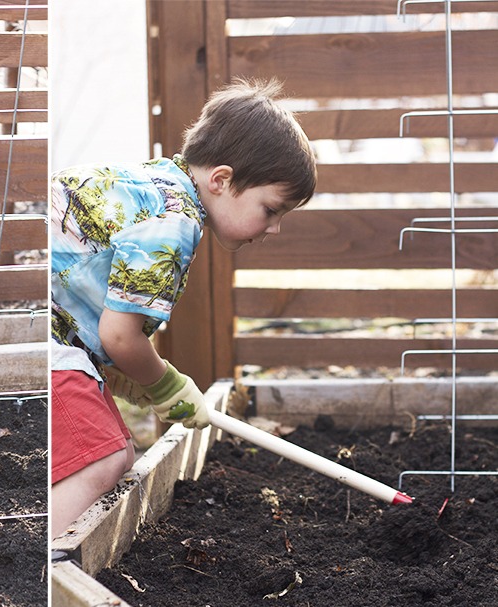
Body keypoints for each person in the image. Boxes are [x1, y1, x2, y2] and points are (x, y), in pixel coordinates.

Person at [50, 78, 317, 538]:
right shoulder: (174, 222)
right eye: (272, 210)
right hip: (43, 338)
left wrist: (122, 379)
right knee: (106, 456)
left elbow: (88, 298)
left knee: (100, 439)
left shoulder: (153, 185)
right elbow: (120, 334)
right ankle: (51, 561)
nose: (273, 229)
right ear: (222, 180)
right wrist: (166, 385)